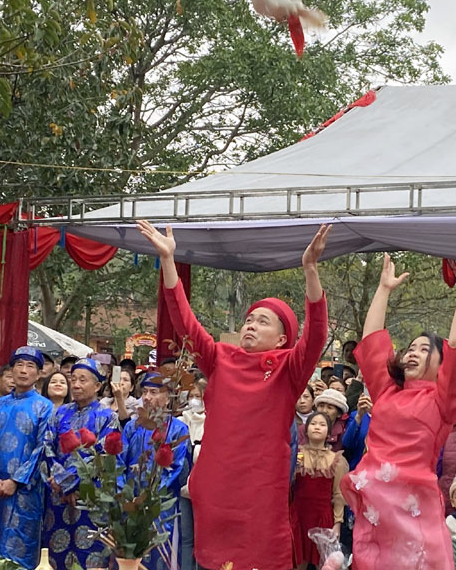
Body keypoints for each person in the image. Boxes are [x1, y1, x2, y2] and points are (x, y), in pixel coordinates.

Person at [137, 219, 330, 570]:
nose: (251, 325)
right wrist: (167, 260)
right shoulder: (219, 358)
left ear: (283, 339)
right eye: (249, 319)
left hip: (260, 492)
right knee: (212, 560)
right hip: (217, 488)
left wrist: (311, 270)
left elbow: (316, 335)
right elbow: (184, 322)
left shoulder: (289, 367)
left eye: (263, 321)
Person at [339, 250, 456, 570]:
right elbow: (372, 340)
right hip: (377, 510)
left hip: (415, 512)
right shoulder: (387, 390)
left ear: (442, 366)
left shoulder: (442, 400)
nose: (413, 353)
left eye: (424, 349)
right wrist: (383, 289)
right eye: (411, 348)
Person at [0, 347, 53, 570]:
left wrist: (16, 481)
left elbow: (42, 449)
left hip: (24, 492)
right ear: (11, 370)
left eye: (30, 366)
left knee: (17, 549)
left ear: (39, 373)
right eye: (19, 365)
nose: (23, 371)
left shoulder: (45, 407)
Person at [44, 357, 121, 570]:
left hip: (90, 496)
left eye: (83, 380)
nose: (76, 385)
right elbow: (47, 447)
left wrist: (71, 482)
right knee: (56, 556)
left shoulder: (108, 417)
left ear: (97, 386)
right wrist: (59, 480)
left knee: (90, 554)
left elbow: (104, 455)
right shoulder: (59, 413)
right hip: (58, 495)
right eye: (73, 379)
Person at [122, 372, 190, 570]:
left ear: (168, 398)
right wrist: (123, 492)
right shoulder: (132, 427)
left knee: (161, 556)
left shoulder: (178, 429)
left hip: (161, 506)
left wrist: (149, 497)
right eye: (144, 392)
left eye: (153, 392)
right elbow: (119, 461)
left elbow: (176, 469)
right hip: (131, 503)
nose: (147, 397)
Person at [291, 412, 348, 569]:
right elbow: (290, 482)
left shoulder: (336, 460)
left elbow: (338, 495)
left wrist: (337, 523)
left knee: (324, 564)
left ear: (329, 432)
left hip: (323, 519)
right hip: (299, 516)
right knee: (297, 562)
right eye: (313, 424)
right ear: (306, 429)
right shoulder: (298, 454)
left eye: (322, 425)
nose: (317, 427)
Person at [179, 378, 207, 570]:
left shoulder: (215, 421)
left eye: (199, 396)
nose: (195, 400)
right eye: (192, 396)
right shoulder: (180, 421)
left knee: (204, 538)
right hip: (183, 485)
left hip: (206, 487)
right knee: (186, 537)